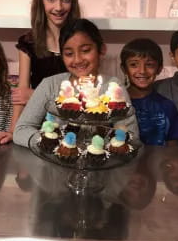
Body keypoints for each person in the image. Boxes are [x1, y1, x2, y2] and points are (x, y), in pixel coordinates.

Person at [13, 18, 139, 147]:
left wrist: (100, 147)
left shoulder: (114, 87)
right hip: (54, 163)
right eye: (69, 53)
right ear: (62, 56)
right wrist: (52, 143)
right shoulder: (50, 85)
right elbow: (21, 130)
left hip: (100, 163)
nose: (77, 60)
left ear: (101, 49)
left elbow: (131, 136)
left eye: (85, 51)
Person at [11, 0, 81, 126]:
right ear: (40, 1)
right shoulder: (28, 43)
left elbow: (84, 95)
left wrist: (36, 95)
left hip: (74, 126)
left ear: (73, 2)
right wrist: (12, 132)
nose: (58, 7)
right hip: (39, 125)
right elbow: (21, 96)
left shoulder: (82, 43)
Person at [120, 38, 178, 146]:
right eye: (134, 65)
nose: (142, 71)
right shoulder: (114, 105)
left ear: (159, 68)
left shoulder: (167, 106)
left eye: (149, 65)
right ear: (124, 69)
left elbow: (173, 149)